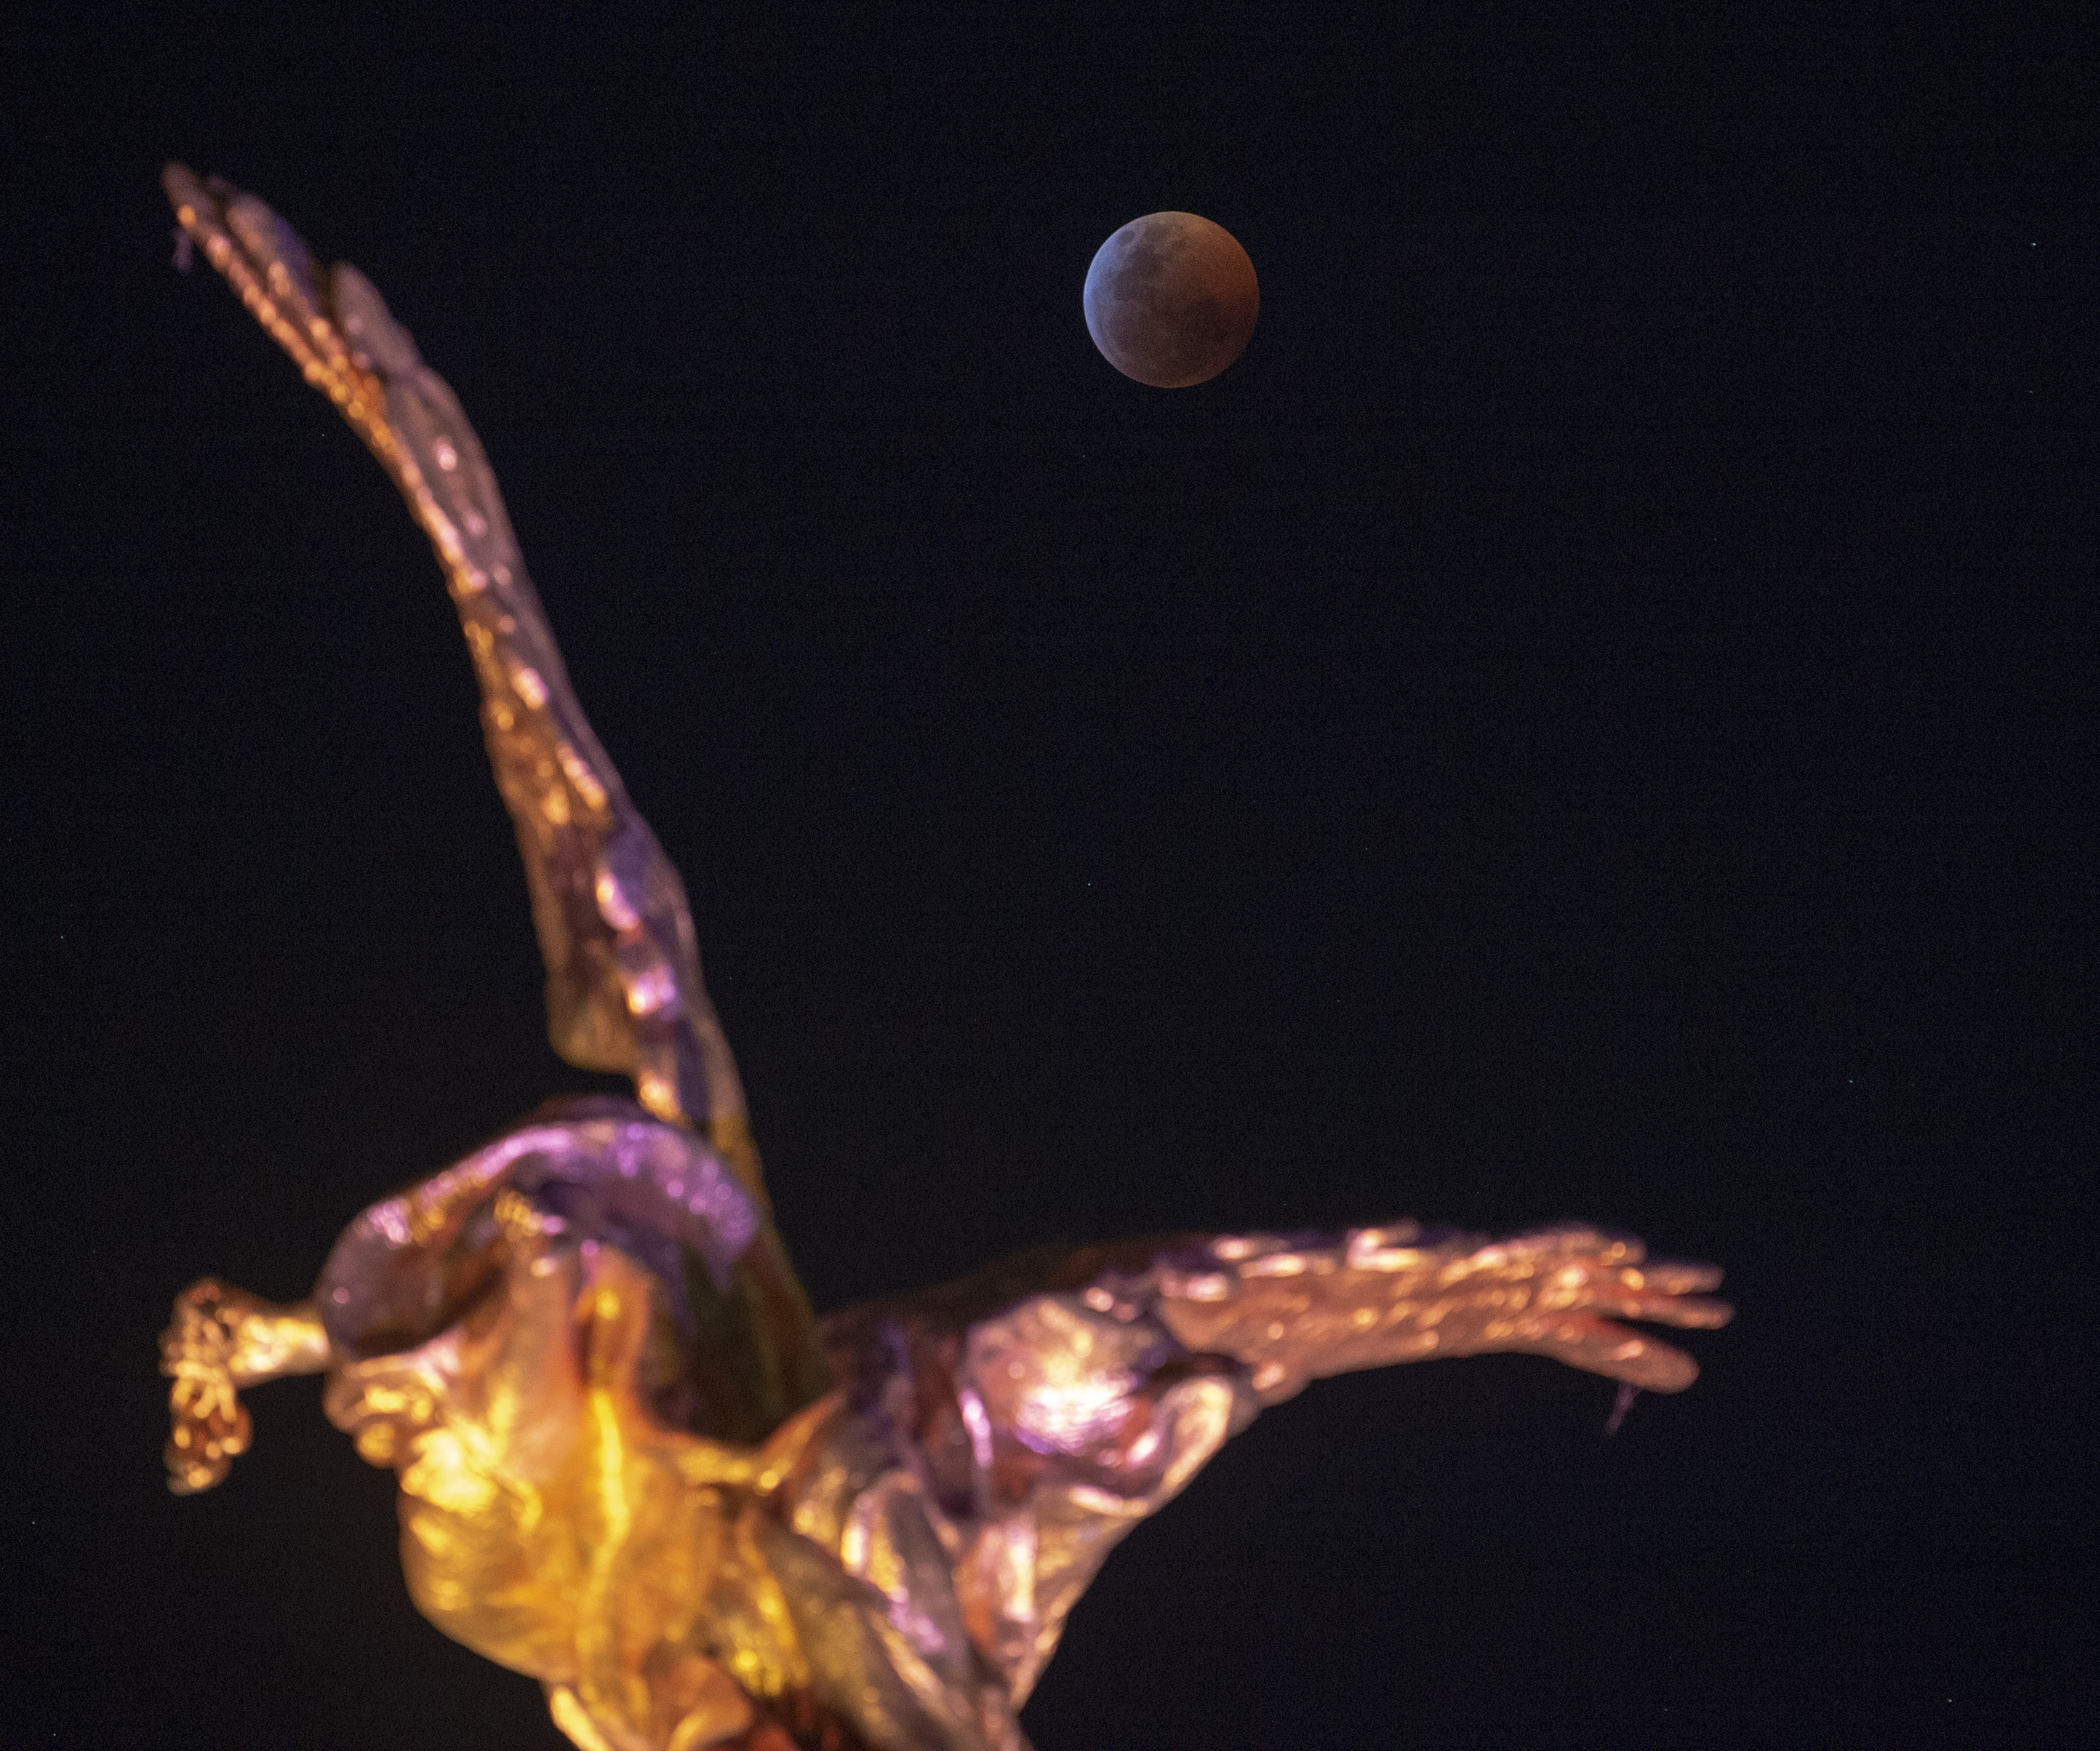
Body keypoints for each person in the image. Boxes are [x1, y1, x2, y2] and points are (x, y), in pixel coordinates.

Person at [157, 167, 1731, 1751]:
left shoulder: (860, 1465)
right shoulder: (620, 1529)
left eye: (430, 1392)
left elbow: (1178, 1311)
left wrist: (1470, 1297)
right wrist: (435, 495)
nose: (399, 1422)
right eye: (424, 1396)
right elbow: (596, 866)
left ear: (609, 1350)